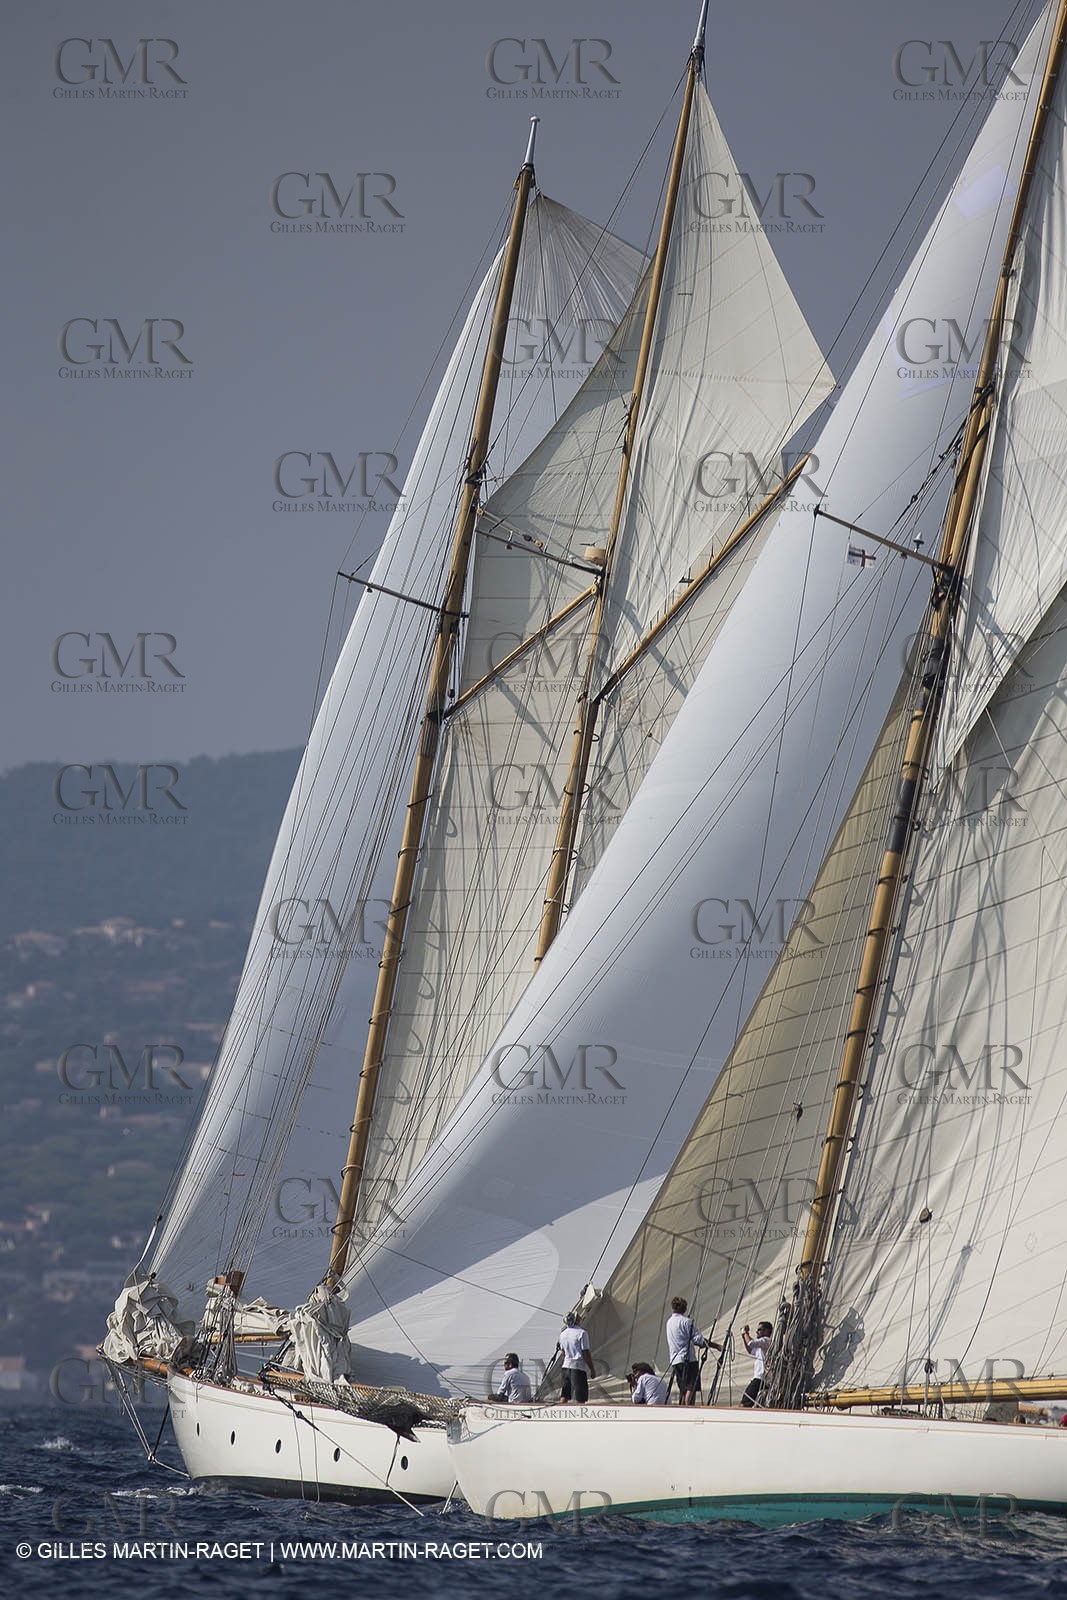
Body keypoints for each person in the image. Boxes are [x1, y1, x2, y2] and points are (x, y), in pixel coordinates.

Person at [666, 1294, 721, 1406]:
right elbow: (698, 1340)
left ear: (673, 1308)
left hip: (675, 1361)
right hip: (688, 1360)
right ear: (685, 1308)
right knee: (691, 1387)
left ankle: (682, 1410)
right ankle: (689, 1408)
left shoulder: (669, 1322)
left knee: (683, 1389)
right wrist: (717, 1346)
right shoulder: (686, 1322)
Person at [557, 1311, 596, 1404]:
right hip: (578, 1367)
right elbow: (585, 1353)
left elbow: (563, 1353)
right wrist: (592, 1369)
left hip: (565, 1366)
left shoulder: (562, 1334)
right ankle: (580, 1417)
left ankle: (560, 1414)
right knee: (580, 1397)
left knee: (564, 1395)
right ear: (575, 1320)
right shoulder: (582, 1333)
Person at [741, 1320, 772, 1407]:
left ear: (766, 1331)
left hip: (760, 1378)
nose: (757, 1332)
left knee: (744, 1403)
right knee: (754, 1403)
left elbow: (751, 1343)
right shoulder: (761, 1345)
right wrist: (744, 1336)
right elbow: (750, 1350)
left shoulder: (766, 1340)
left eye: (759, 1329)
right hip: (762, 1378)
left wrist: (745, 1332)